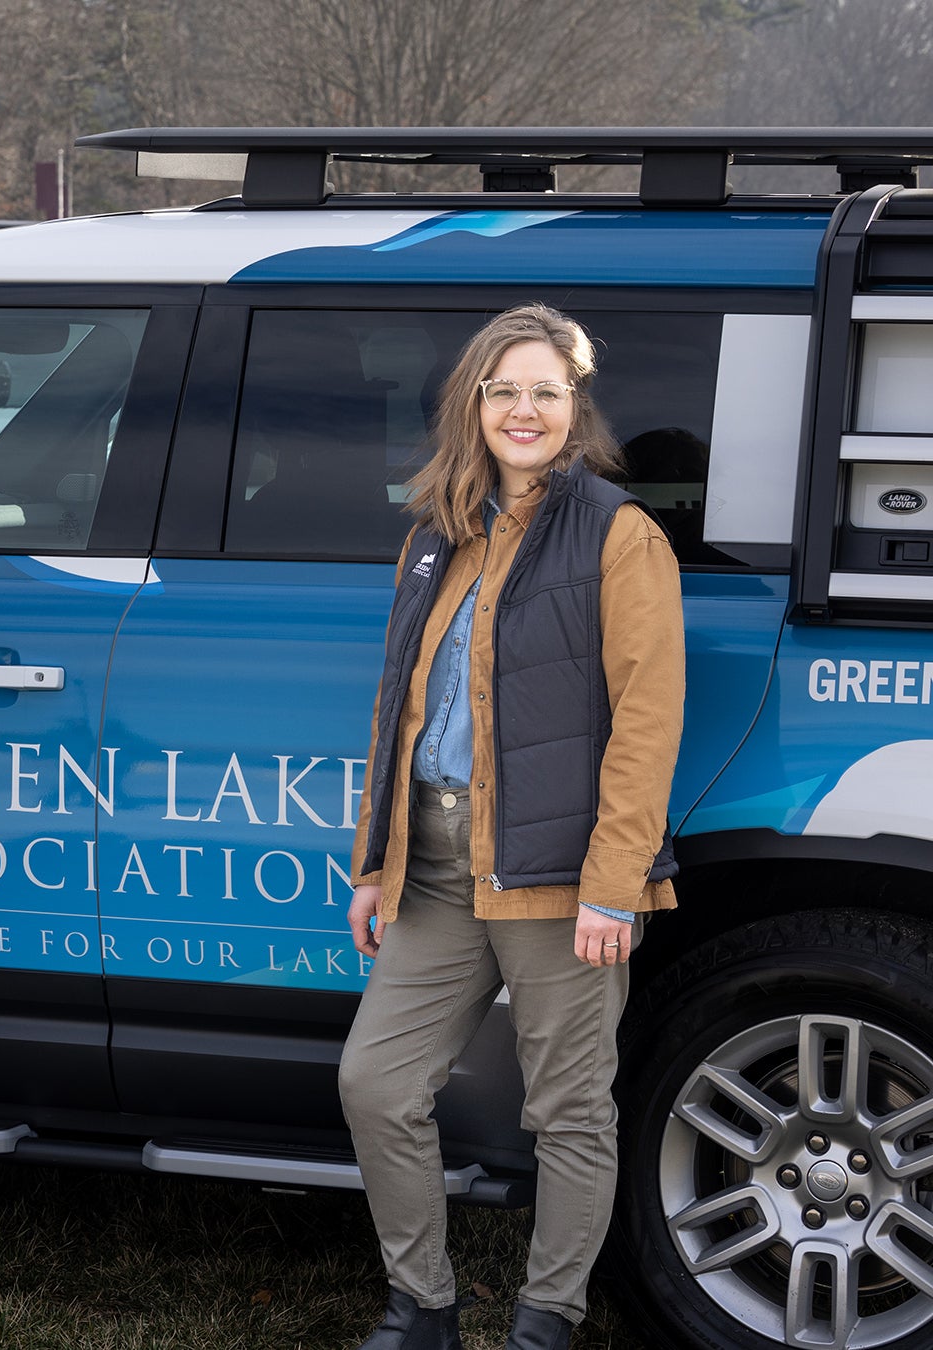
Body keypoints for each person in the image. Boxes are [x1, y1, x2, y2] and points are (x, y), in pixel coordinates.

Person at [338, 304, 682, 1350]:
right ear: (474, 405)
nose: (522, 410)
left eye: (545, 391)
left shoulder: (620, 535)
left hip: (558, 875)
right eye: (503, 390)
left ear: (574, 409)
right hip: (436, 870)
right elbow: (397, 708)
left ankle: (546, 1324)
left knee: (568, 1112)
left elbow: (647, 718)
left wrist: (615, 882)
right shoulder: (439, 528)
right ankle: (424, 1310)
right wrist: (374, 865)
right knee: (376, 1085)